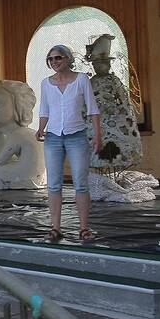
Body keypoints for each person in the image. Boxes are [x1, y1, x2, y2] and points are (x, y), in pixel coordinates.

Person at [35, 45, 102, 242]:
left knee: (81, 184)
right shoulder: (46, 83)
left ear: (68, 59)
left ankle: (83, 228)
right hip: (53, 137)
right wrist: (40, 128)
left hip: (77, 136)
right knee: (54, 184)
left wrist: (98, 136)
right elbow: (44, 109)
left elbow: (93, 109)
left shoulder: (81, 79)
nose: (54, 62)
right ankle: (55, 228)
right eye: (51, 59)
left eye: (58, 58)